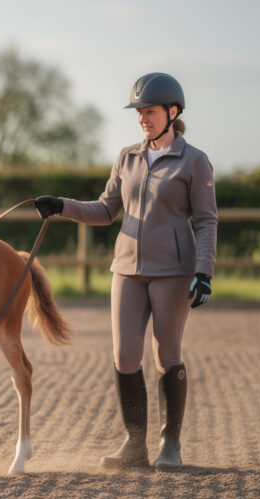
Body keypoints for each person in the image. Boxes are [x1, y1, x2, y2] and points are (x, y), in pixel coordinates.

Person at [34, 72, 217, 471]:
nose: (142, 119)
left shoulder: (194, 161)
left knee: (166, 354)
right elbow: (105, 210)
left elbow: (206, 221)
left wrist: (204, 272)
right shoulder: (127, 157)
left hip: (173, 271)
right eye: (139, 112)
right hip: (127, 269)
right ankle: (135, 443)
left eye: (149, 111)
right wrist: (62, 205)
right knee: (124, 355)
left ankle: (170, 444)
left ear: (172, 112)